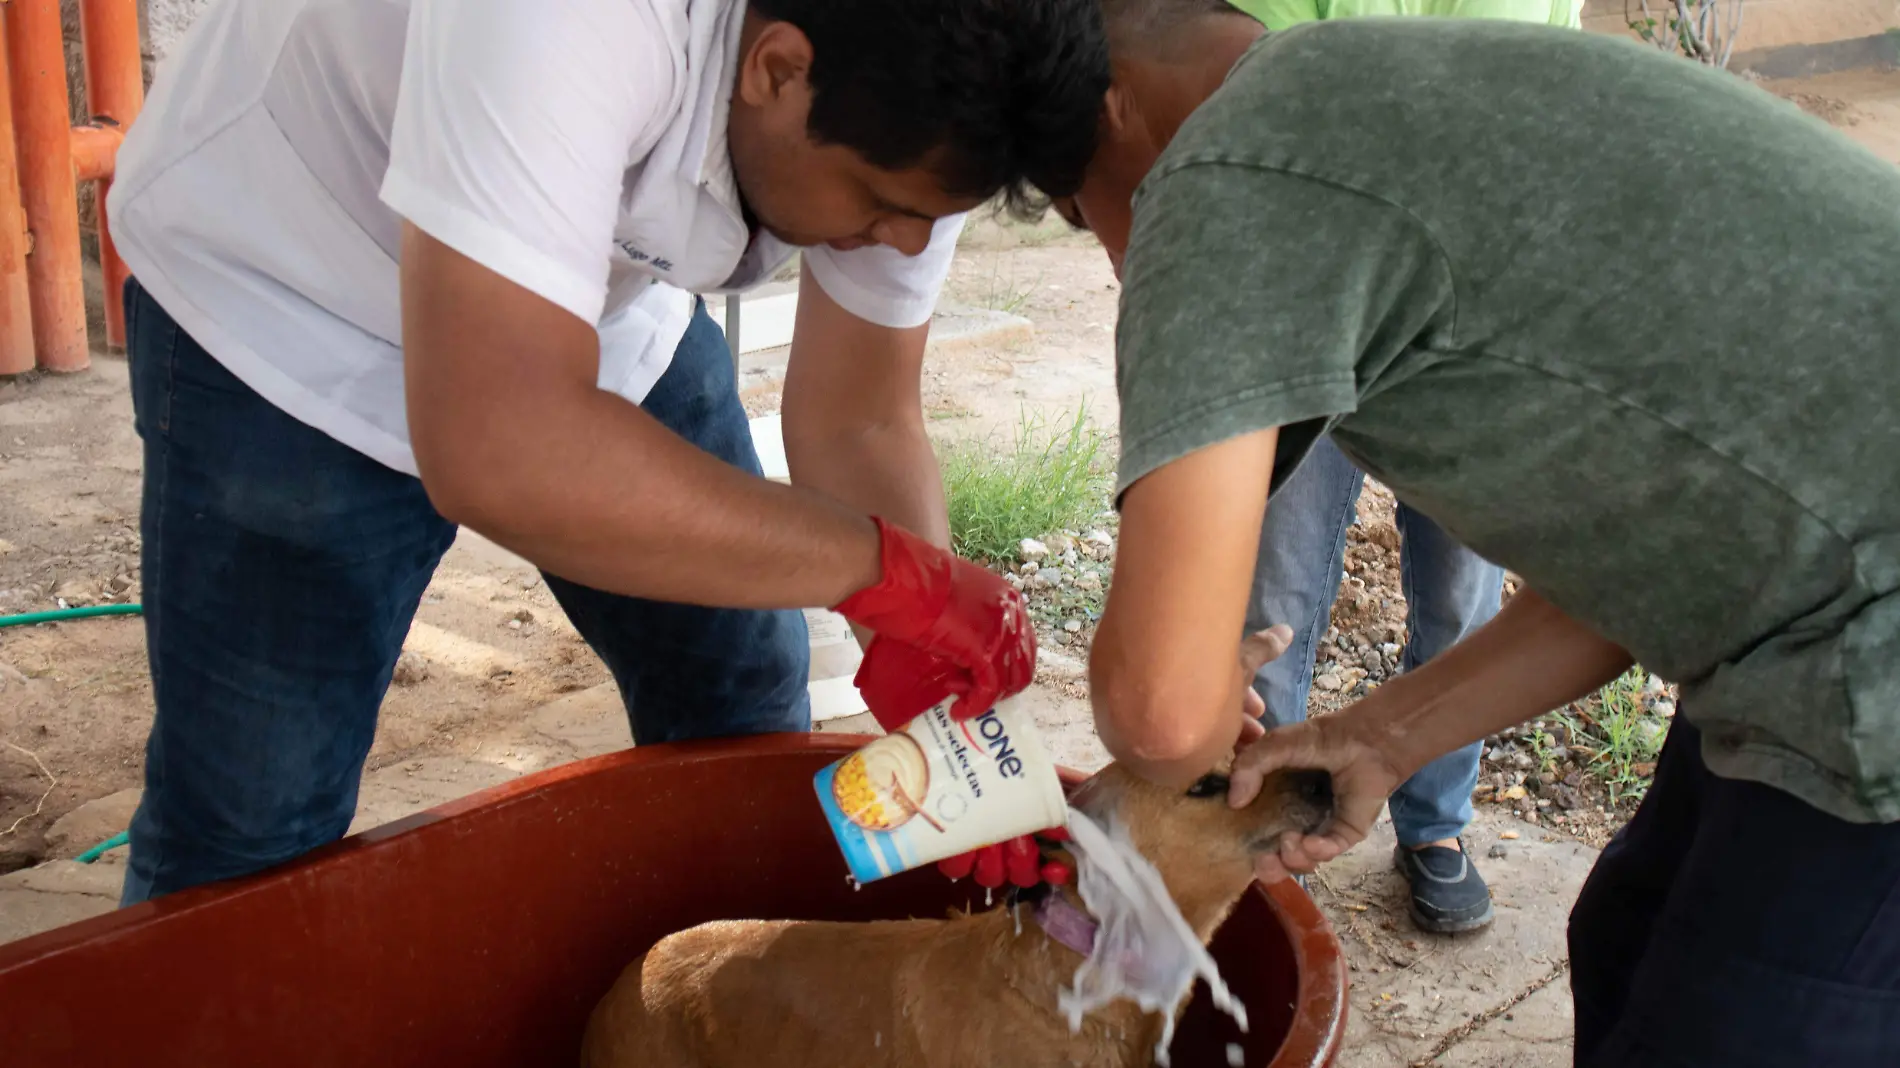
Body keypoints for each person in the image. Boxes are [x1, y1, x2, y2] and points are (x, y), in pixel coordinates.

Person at [106, 0, 1108, 903]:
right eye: (881, 202)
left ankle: (700, 1005)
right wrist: (886, 573)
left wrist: (934, 666)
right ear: (775, 67)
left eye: (929, 222)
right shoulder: (565, 21)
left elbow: (860, 419)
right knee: (254, 831)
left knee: (737, 704)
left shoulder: (919, 81)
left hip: (596, 302)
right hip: (294, 296)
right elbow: (503, 450)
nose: (899, 242)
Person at [1064, 3, 1900, 1064]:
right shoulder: (1386, 95)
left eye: (1072, 206)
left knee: (1727, 1025)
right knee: (1624, 939)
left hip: (1869, 667)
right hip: (1817, 605)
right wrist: (1378, 738)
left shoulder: (1232, 170)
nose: (1111, 263)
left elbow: (1157, 710)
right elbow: (1637, 580)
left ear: (1114, 107)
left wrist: (1176, 702)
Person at [1230, 0, 1583, 935]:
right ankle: (1269, 825)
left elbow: (1546, 136)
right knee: (1277, 596)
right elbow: (1263, 99)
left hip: (1468, 349)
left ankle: (1435, 826)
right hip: (1315, 331)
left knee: (1463, 607)